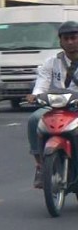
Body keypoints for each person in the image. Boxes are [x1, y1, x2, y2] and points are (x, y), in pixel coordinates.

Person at [25, 20, 78, 188]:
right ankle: (41, 165)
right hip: (55, 107)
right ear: (60, 41)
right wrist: (35, 96)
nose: (70, 42)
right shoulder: (51, 62)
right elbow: (42, 83)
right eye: (66, 38)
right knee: (35, 119)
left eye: (74, 38)